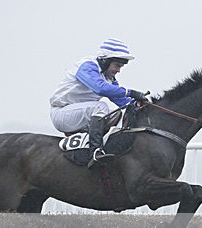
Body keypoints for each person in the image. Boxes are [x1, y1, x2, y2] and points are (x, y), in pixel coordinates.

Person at [49, 38, 149, 167]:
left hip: (80, 115)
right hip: (62, 114)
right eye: (117, 65)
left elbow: (120, 100)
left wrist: (137, 104)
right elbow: (100, 88)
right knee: (100, 107)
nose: (119, 70)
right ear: (105, 60)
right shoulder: (87, 66)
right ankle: (95, 152)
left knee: (118, 114)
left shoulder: (108, 77)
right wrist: (131, 92)